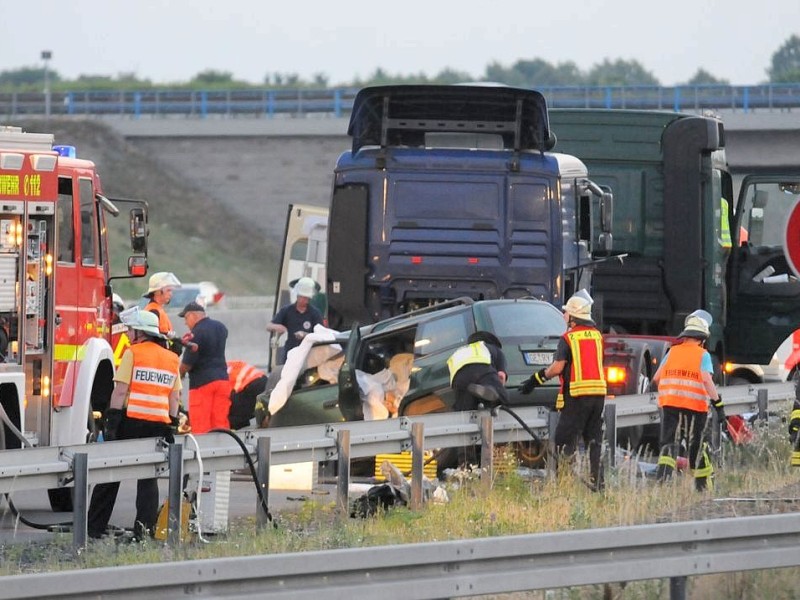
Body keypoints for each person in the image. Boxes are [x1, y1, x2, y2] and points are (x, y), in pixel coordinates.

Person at [87, 309, 181, 540]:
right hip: (158, 425)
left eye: (130, 329)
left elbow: (120, 390)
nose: (128, 334)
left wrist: (112, 420)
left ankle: (94, 527)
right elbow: (175, 397)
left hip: (131, 422)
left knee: (111, 473)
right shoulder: (171, 358)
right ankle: (144, 530)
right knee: (148, 479)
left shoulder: (134, 353)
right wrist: (172, 423)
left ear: (140, 332)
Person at [519, 289, 607, 491]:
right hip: (597, 397)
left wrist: (535, 379)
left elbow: (557, 368)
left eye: (566, 313)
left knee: (563, 442)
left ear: (573, 317)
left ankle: (563, 485)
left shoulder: (568, 338)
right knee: (594, 441)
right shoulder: (597, 336)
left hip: (576, 396)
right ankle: (598, 485)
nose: (564, 316)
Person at [652, 310, 723, 491]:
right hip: (695, 407)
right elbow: (706, 380)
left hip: (670, 405)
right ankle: (702, 486)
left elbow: (657, 378)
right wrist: (718, 403)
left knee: (668, 443)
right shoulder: (703, 355)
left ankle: (663, 482)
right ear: (702, 339)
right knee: (697, 446)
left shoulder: (672, 352)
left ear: (685, 336)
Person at [179, 301, 231, 433]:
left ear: (193, 316)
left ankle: (203, 452)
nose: (186, 323)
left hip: (202, 385)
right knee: (220, 424)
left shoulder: (196, 333)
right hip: (223, 381)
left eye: (186, 318)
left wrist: (179, 375)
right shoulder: (221, 327)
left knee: (201, 426)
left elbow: (187, 363)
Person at [266, 276, 324, 365]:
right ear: (297, 295)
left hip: (308, 353)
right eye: (302, 297)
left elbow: (321, 335)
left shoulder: (315, 313)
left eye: (306, 298)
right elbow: (269, 326)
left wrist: (306, 335)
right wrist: (279, 327)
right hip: (290, 352)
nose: (304, 300)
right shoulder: (286, 310)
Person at [447, 331, 508, 412]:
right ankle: (488, 389)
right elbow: (501, 375)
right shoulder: (491, 347)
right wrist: (499, 388)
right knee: (501, 396)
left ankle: (462, 406)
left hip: (458, 378)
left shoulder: (461, 350)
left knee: (465, 409)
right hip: (480, 368)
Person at [142, 271, 183, 353]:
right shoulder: (153, 311)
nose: (171, 294)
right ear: (158, 291)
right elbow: (153, 339)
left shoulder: (158, 309)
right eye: (168, 290)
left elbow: (164, 334)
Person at [227, 360, 268, 429]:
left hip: (250, 386)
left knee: (231, 418)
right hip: (263, 381)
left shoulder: (214, 375)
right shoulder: (226, 366)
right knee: (242, 414)